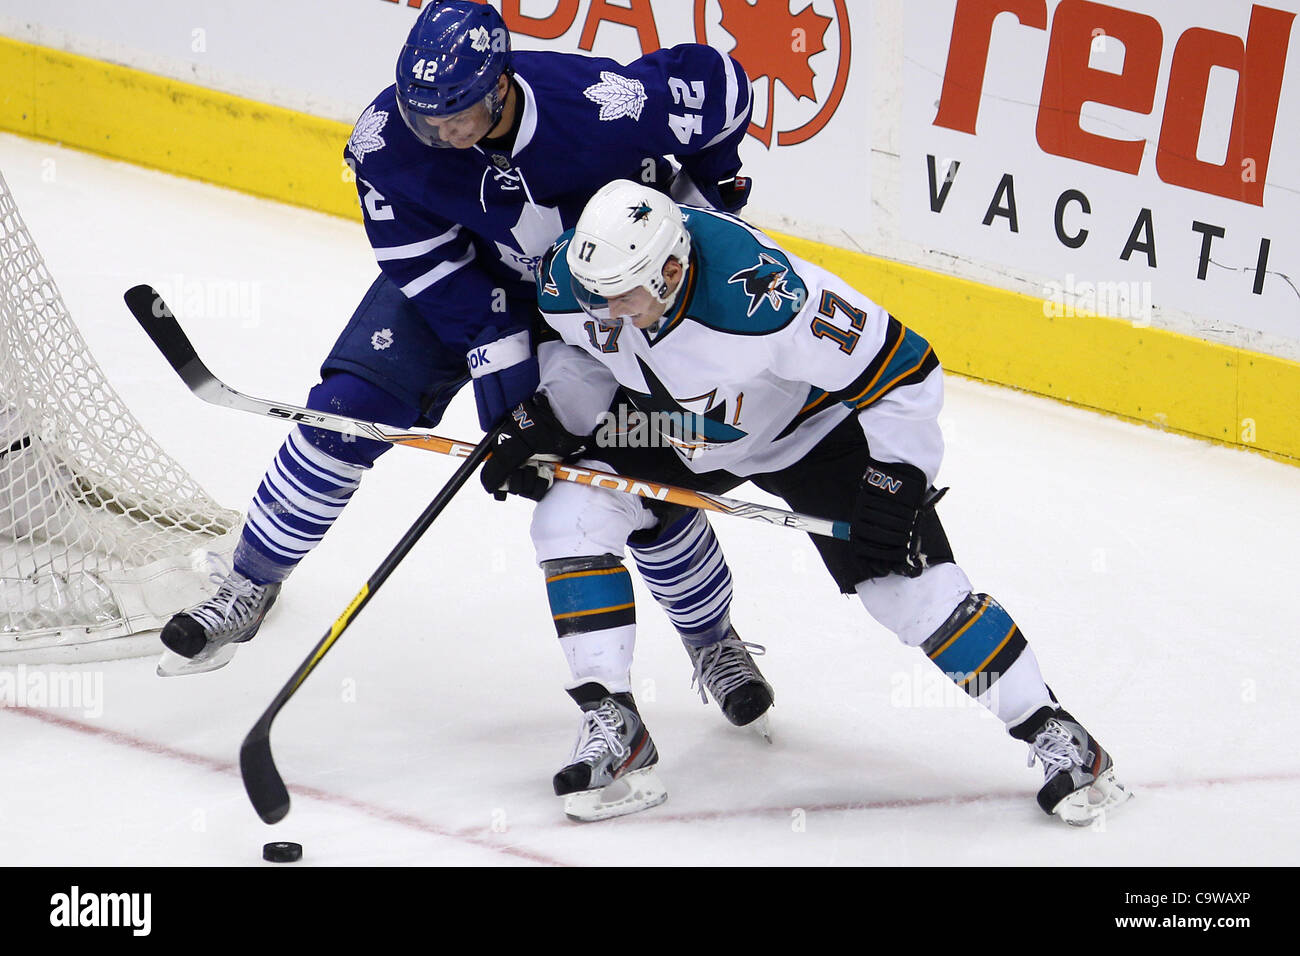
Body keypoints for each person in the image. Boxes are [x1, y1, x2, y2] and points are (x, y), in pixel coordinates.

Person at [159, 0, 773, 729]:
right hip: (459, 287)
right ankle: (249, 584)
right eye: (427, 120)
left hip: (593, 301)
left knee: (619, 476)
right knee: (345, 411)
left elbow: (722, 85)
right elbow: (429, 268)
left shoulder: (601, 107)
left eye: (458, 119)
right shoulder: (386, 139)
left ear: (501, 87)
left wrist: (707, 198)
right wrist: (506, 382)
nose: (441, 136)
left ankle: (712, 641)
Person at [480, 179, 1133, 825]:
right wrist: (555, 414)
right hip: (676, 431)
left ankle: (1060, 736)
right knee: (569, 519)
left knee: (907, 592)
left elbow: (905, 369)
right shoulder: (578, 281)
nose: (610, 311)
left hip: (812, 435)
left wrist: (897, 480)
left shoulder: (767, 295)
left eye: (625, 298)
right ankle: (615, 725)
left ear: (672, 270)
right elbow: (588, 349)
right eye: (601, 298)